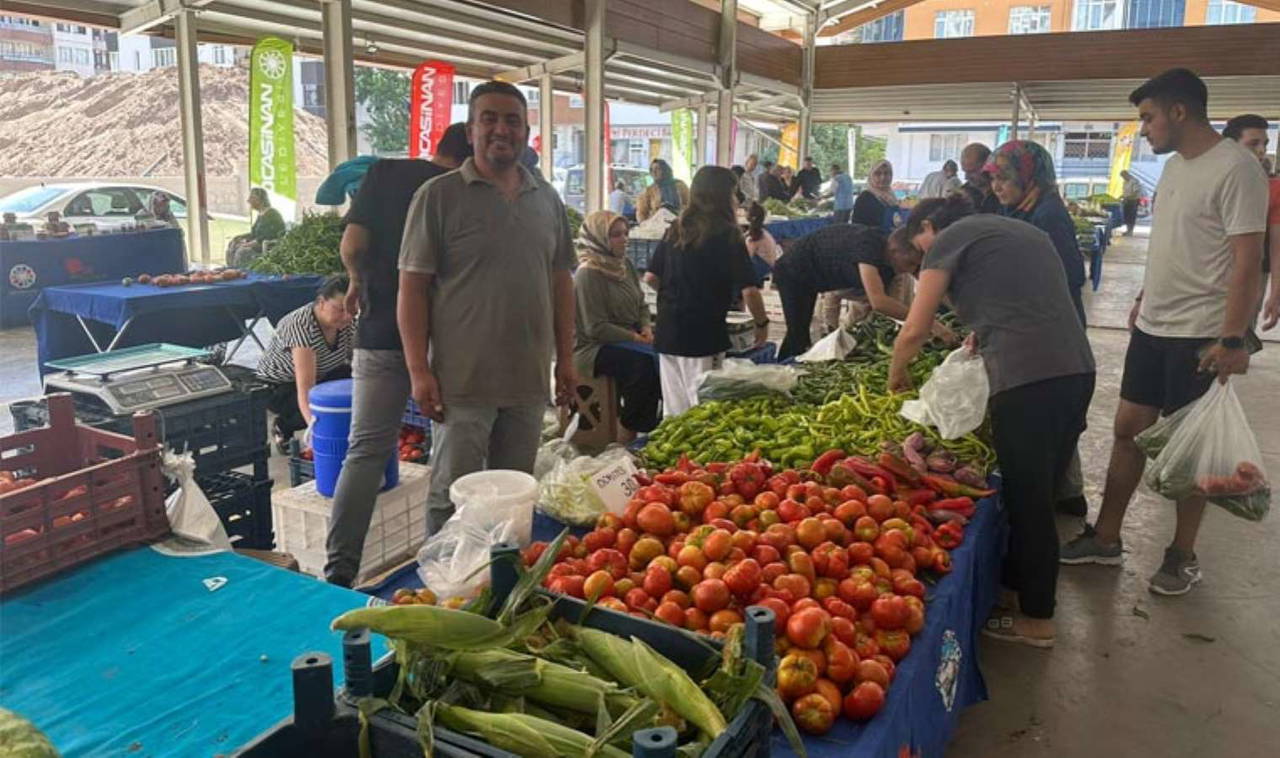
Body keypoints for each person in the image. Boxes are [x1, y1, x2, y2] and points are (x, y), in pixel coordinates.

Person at [1060, 68, 1267, 596]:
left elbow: (1247, 261)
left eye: (1148, 117)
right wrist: (1143, 296)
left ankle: (1182, 555)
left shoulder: (1237, 168)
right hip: (1154, 327)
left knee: (1189, 450)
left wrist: (1233, 338)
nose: (1144, 128)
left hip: (1202, 335)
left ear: (1179, 111)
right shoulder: (1175, 166)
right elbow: (1172, 243)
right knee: (1128, 429)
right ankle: (1106, 538)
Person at [889, 195, 1095, 647]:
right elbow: (1026, 302)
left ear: (928, 227)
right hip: (1077, 370)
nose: (924, 260)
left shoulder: (948, 240)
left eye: (920, 247)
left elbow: (915, 329)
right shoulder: (1019, 231)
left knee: (1028, 501)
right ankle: (1018, 588)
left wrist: (897, 375)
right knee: (1039, 491)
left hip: (1028, 381)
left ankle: (1038, 619)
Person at [398, 80, 577, 535]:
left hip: (527, 381)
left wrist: (566, 360)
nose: (502, 129)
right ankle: (442, 574)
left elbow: (561, 283)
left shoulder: (547, 199)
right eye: (489, 119)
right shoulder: (437, 196)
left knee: (512, 498)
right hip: (461, 382)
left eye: (513, 121)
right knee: (451, 497)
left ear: (526, 132)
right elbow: (412, 289)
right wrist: (418, 369)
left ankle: (499, 574)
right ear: (471, 129)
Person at [322, 122, 471, 588]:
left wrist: (356, 280)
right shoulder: (462, 189)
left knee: (366, 451)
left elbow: (352, 245)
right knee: (448, 451)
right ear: (468, 157)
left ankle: (339, 570)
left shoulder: (384, 174)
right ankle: (439, 571)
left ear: (437, 147)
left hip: (381, 329)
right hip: (445, 339)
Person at [984, 139, 1089, 516]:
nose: (997, 186)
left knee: (1050, 415)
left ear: (1029, 176)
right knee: (1052, 417)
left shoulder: (1047, 215)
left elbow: (1070, 275)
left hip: (1052, 332)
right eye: (994, 178)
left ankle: (1054, 499)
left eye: (1005, 177)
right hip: (1037, 328)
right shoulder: (1022, 208)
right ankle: (1065, 493)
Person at [644, 166, 769, 417]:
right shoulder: (727, 233)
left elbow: (651, 277)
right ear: (722, 196)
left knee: (674, 411)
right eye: (733, 192)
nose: (736, 199)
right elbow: (749, 290)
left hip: (668, 330)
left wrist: (677, 295)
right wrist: (761, 323)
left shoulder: (676, 228)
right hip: (702, 333)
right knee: (702, 410)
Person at [774, 223, 957, 360]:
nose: (911, 270)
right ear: (894, 251)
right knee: (798, 333)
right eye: (909, 264)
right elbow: (879, 302)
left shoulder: (892, 255)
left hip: (820, 277)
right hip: (794, 271)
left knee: (801, 332)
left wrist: (959, 308)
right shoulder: (868, 248)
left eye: (916, 266)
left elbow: (930, 284)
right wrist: (930, 323)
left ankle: (791, 365)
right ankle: (782, 370)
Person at [573, 210, 661, 441]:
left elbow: (641, 304)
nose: (624, 239)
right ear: (599, 239)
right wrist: (635, 338)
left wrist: (646, 328)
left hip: (629, 337)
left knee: (666, 354)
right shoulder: (588, 274)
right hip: (593, 347)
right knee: (641, 366)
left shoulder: (625, 266)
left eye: (625, 233)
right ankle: (629, 434)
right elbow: (595, 328)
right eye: (615, 235)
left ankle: (653, 425)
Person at [257, 275, 355, 450]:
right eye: (340, 309)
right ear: (321, 302)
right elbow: (306, 388)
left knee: (359, 384)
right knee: (326, 406)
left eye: (352, 310)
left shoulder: (348, 322)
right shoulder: (301, 326)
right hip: (280, 386)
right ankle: (284, 425)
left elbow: (360, 360)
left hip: (321, 374)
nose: (347, 316)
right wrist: (319, 434)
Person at [1222, 113, 1280, 331]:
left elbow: (1277, 247)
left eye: (1265, 143)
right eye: (1253, 143)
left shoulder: (1273, 189)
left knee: (1239, 334)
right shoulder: (1211, 182)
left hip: (1252, 277)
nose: (1262, 150)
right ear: (1231, 146)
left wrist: (1275, 294)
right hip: (1207, 273)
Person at [228, 187, 286, 267]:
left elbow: (266, 237)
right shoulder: (261, 214)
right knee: (233, 244)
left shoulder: (272, 214)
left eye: (251, 198)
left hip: (268, 248)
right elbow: (254, 233)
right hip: (257, 244)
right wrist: (239, 238)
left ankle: (239, 271)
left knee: (242, 251)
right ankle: (230, 270)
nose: (248, 200)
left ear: (259, 200)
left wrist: (247, 244)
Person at [852, 160, 900, 231]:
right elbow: (857, 227)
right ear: (871, 176)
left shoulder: (892, 196)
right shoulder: (865, 197)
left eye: (886, 173)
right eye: (878, 174)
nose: (883, 177)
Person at [958, 143, 1002, 214]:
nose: (966, 177)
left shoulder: (1004, 191)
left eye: (972, 171)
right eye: (965, 171)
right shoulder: (963, 193)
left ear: (987, 165)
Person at [744, 202, 780, 269]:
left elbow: (746, 257)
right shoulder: (761, 231)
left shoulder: (756, 235)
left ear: (753, 217)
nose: (744, 213)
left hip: (763, 268)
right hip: (768, 266)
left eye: (746, 211)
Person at [1120, 170, 1143, 236]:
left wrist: (1127, 197)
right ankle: (1128, 230)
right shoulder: (1125, 182)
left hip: (1133, 200)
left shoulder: (1134, 181)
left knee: (1132, 216)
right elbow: (1125, 192)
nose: (1123, 178)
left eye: (1124, 176)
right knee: (1126, 216)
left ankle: (1130, 231)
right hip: (1127, 200)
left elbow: (1135, 192)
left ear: (1127, 174)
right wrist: (1121, 196)